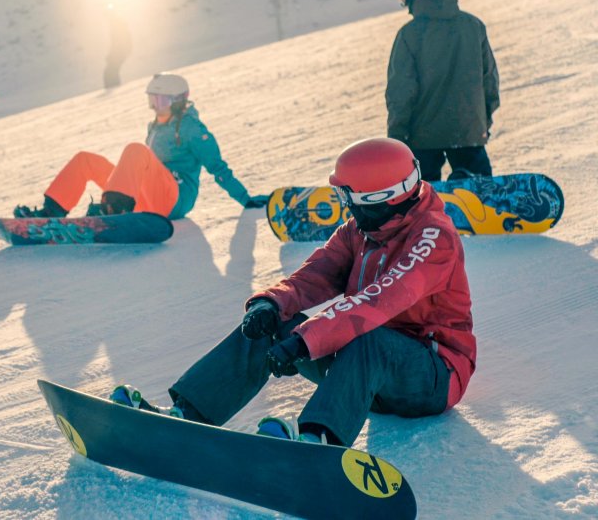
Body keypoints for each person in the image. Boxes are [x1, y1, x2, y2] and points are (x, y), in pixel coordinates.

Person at [112, 138, 476, 447]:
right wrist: (271, 304)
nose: (345, 205)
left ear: (383, 196)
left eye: (350, 196)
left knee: (371, 339)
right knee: (275, 324)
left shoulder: (433, 237)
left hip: (431, 376)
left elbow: (378, 301)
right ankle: (189, 416)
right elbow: (314, 275)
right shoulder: (361, 230)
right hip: (363, 377)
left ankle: (317, 442)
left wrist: (305, 341)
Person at [13, 73, 268, 219]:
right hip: (150, 194)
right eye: (153, 101)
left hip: (175, 198)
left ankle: (114, 211)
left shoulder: (192, 129)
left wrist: (245, 199)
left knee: (135, 150)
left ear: (179, 101)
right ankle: (52, 211)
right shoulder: (156, 126)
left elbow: (217, 167)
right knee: (85, 159)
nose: (156, 107)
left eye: (162, 101)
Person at [385, 0, 500, 182]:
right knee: (478, 184)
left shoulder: (410, 34)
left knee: (420, 191)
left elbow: (401, 92)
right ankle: (470, 183)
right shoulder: (473, 26)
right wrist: (482, 122)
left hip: (422, 137)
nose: (404, 2)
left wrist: (397, 136)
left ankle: (424, 208)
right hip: (469, 131)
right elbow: (489, 81)